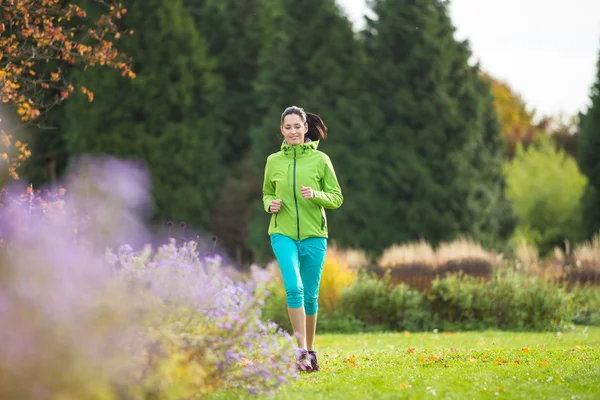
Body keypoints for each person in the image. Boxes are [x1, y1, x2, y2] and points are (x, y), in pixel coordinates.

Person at [261, 106, 343, 372]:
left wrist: (316, 195)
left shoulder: (321, 160)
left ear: (306, 128)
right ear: (282, 130)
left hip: (314, 235)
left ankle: (310, 351)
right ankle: (300, 353)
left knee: (310, 296)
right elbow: (265, 193)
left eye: (298, 126)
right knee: (294, 289)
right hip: (282, 233)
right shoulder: (273, 160)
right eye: (288, 127)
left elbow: (337, 198)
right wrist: (268, 204)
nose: (293, 131)